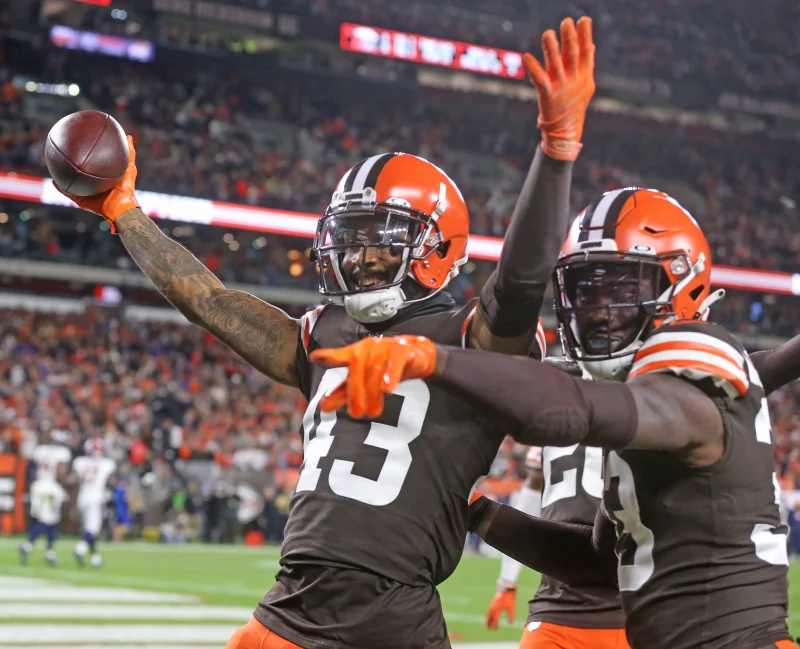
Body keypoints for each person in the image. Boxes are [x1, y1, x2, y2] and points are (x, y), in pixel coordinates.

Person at [55, 17, 596, 649]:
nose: (359, 259)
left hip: (394, 616)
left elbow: (523, 281)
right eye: (350, 241)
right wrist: (126, 213)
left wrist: (556, 149)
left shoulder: (474, 340)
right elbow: (209, 300)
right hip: (290, 609)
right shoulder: (322, 335)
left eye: (379, 244)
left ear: (437, 250)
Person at [310, 188, 800, 649]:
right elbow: (594, 564)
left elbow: (569, 409)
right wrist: (475, 510)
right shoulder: (637, 413)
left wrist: (437, 360)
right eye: (585, 290)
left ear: (681, 282)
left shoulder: (698, 363)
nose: (599, 312)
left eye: (621, 288)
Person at [72, 437, 117, 568]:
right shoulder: (107, 463)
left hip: (82, 498)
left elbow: (75, 480)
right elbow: (111, 481)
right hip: (95, 499)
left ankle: (95, 558)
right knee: (92, 532)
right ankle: (80, 549)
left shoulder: (80, 462)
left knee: (88, 530)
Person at [19, 464, 69, 566]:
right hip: (51, 513)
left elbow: (33, 499)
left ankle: (28, 547)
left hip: (41, 511)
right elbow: (64, 498)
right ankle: (47, 553)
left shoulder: (37, 485)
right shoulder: (54, 487)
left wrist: (34, 510)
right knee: (49, 532)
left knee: (41, 529)